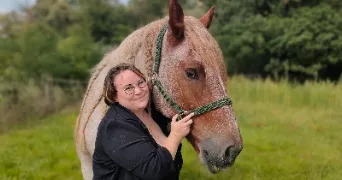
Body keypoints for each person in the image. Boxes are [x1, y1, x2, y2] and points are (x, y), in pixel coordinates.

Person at [92, 63, 194, 180]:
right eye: (128, 88)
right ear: (114, 96)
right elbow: (154, 170)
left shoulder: (153, 113)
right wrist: (175, 136)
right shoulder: (114, 127)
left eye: (140, 83)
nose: (138, 91)